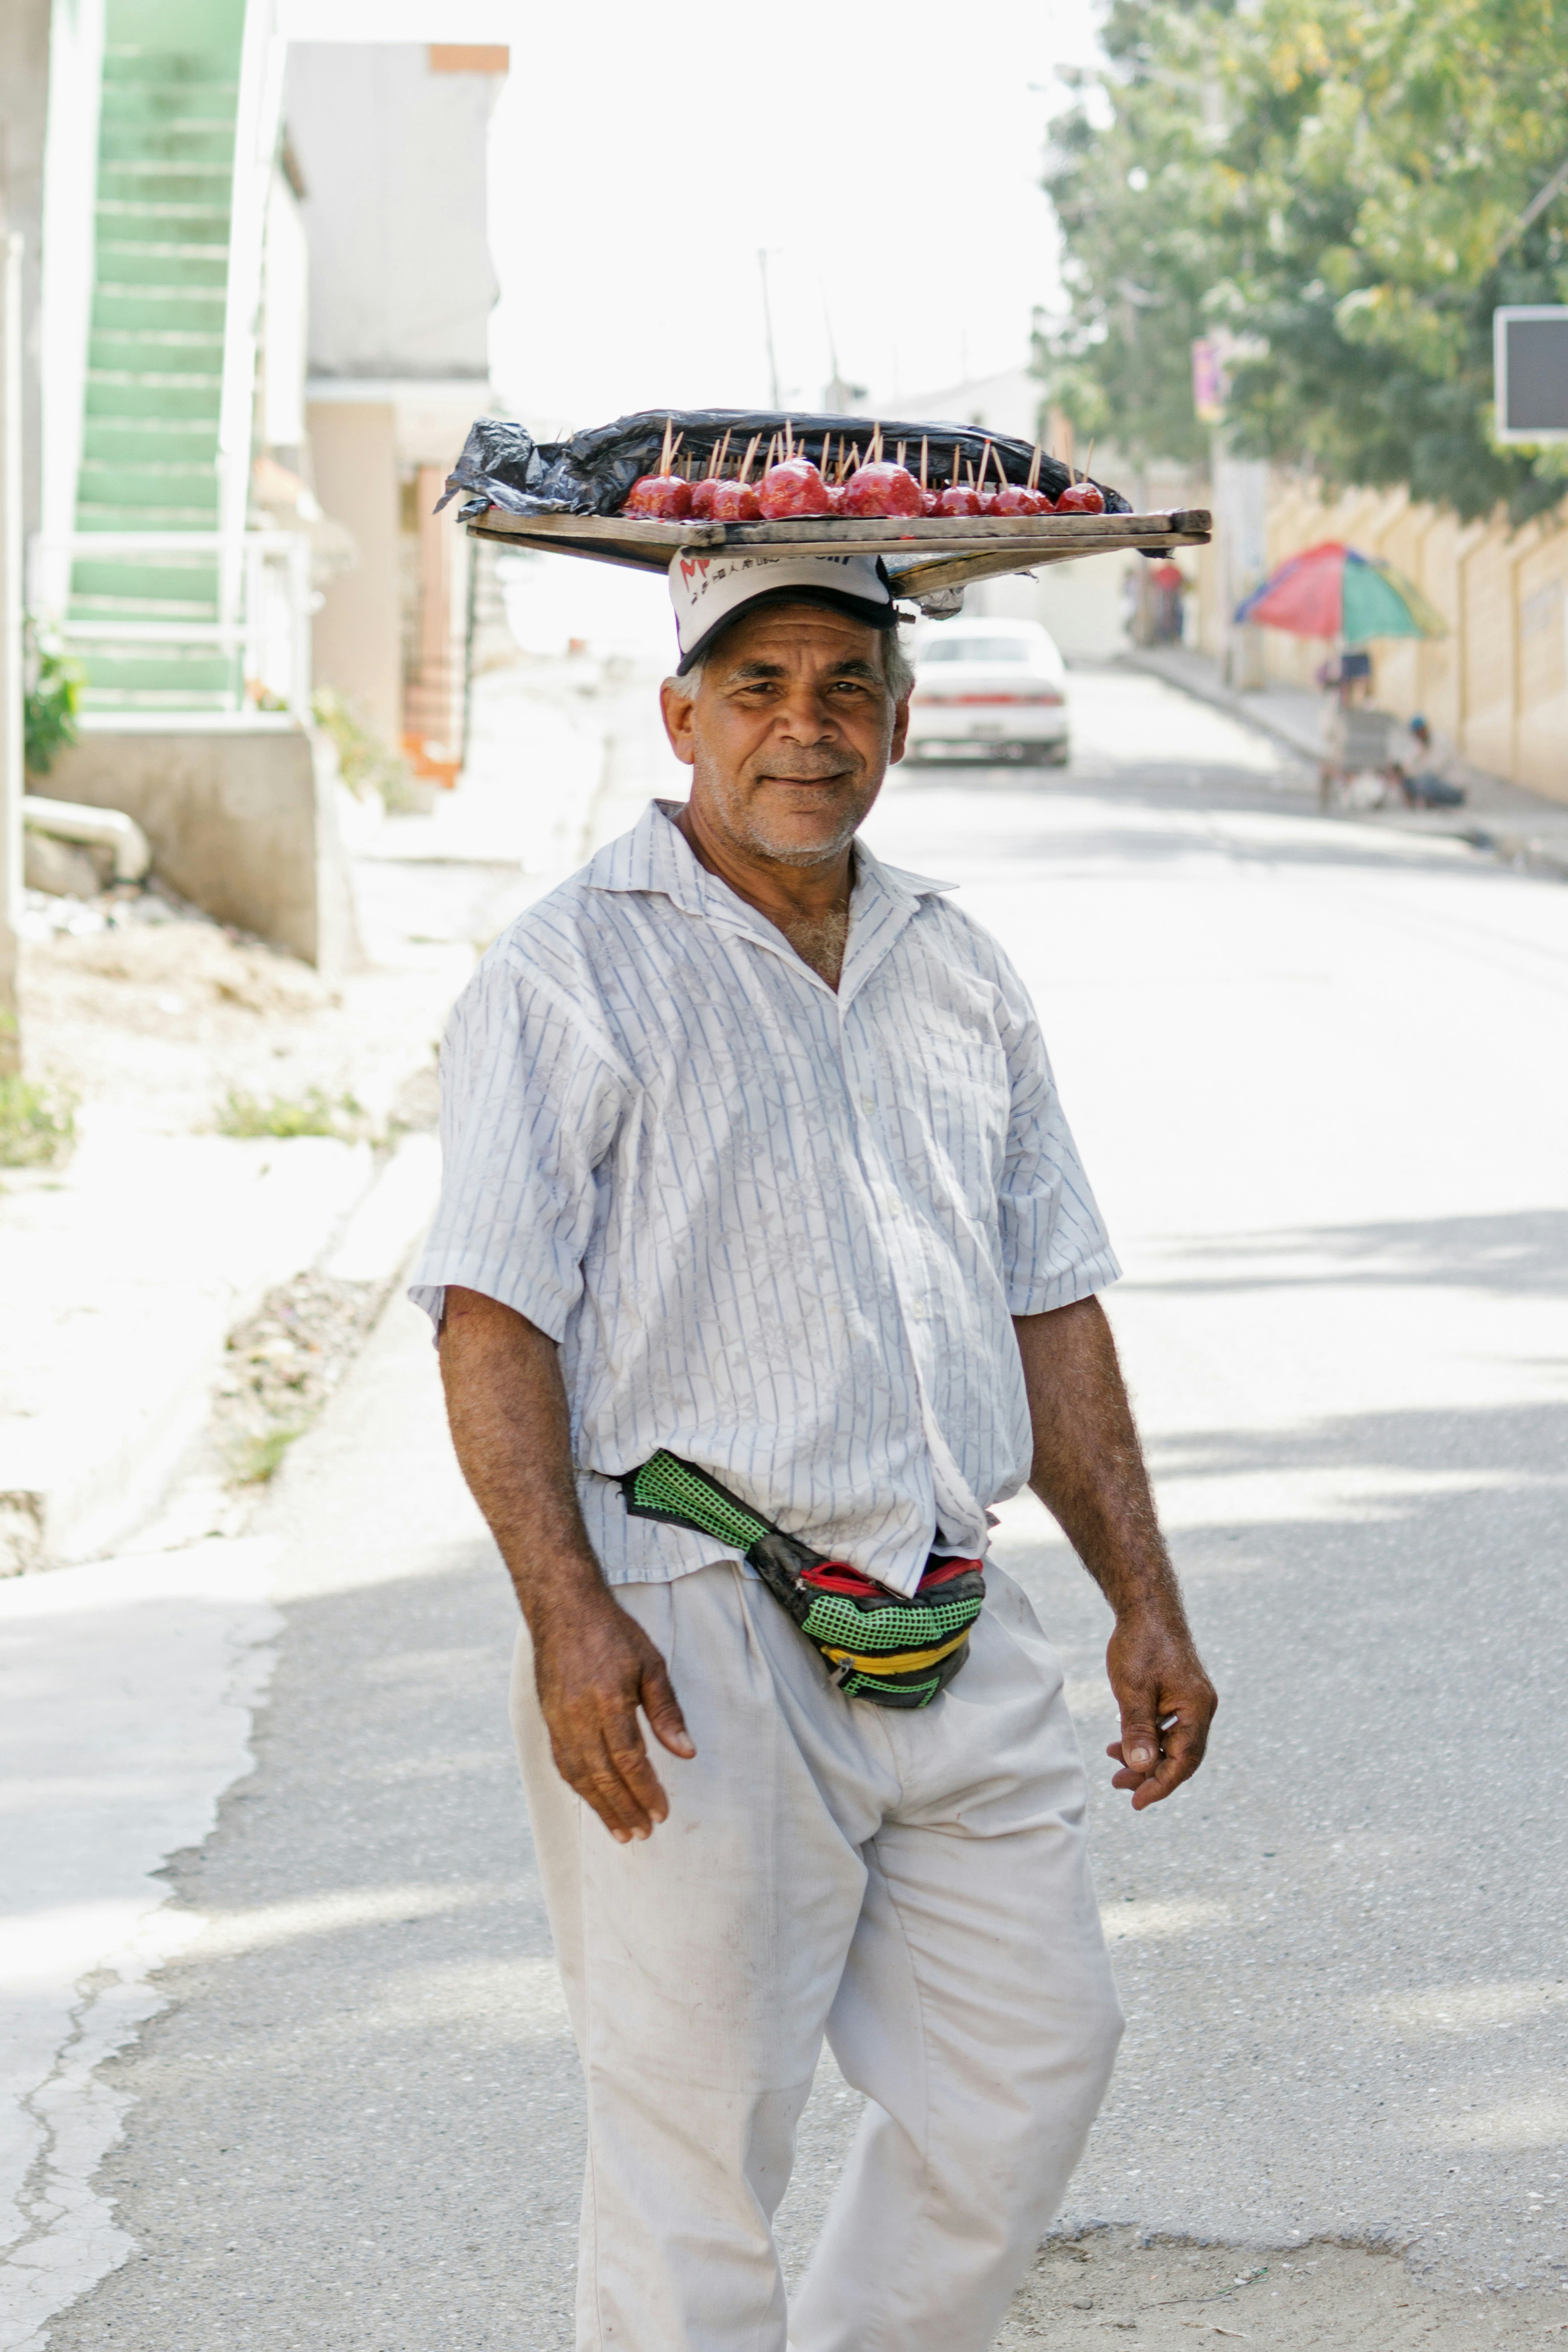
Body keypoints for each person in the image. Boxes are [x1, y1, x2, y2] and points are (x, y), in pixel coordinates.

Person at [413, 548, 1218, 2352]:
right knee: (693, 2141)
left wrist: (1143, 1600)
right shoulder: (568, 970)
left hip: (944, 1595)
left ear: (900, 724)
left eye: (847, 685)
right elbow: (490, 1318)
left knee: (1027, 2061)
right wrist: (567, 1615)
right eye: (758, 685)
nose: (806, 725)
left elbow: (1049, 1297)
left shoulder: (954, 965)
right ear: (679, 715)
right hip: (689, 1624)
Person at [1392, 713, 1466, 808]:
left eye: (1420, 732)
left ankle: (1432, 802)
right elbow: (1408, 763)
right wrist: (1399, 769)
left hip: (1454, 790)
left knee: (1426, 780)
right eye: (1416, 734)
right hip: (1435, 785)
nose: (1419, 735)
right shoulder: (1420, 746)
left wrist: (1413, 772)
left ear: (1425, 729)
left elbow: (1436, 768)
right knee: (1407, 778)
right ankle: (1416, 805)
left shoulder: (1441, 741)